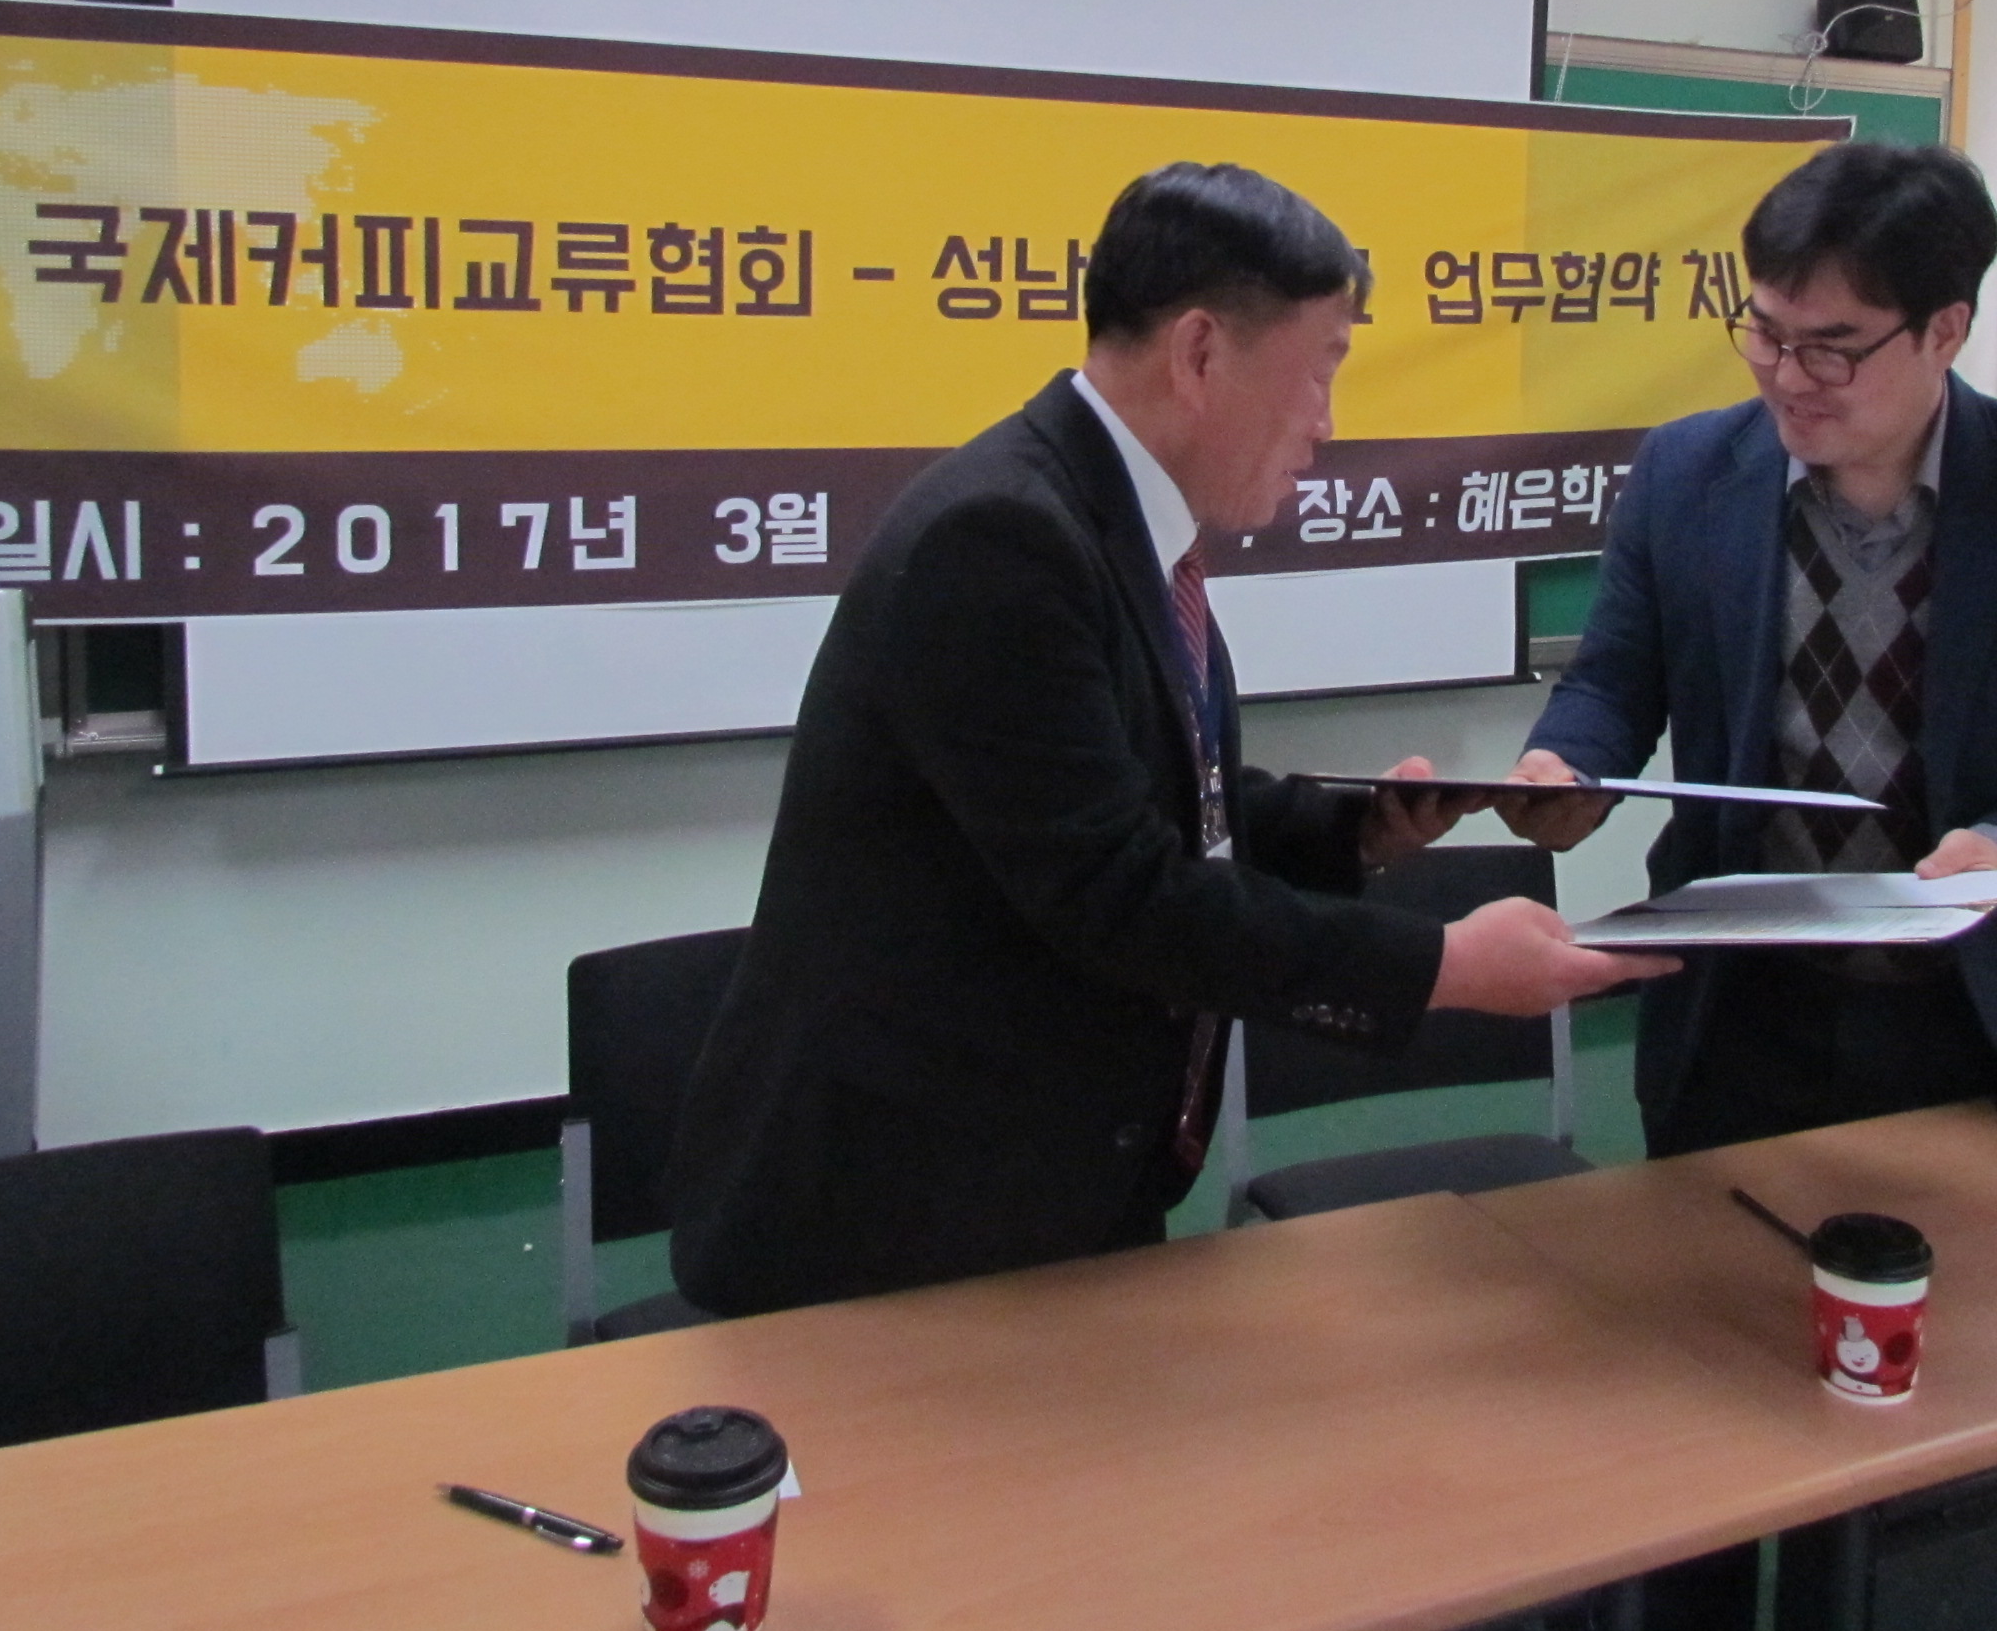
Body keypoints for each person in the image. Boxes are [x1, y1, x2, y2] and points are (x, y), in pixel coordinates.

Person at [670, 161, 1668, 1319]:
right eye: (1319, 371)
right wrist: (1443, 968)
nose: (1326, 425)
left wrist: (1351, 831)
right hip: (898, 1217)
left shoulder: (1104, 518)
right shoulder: (999, 539)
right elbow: (1122, 895)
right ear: (1200, 353)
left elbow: (1159, 796)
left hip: (1045, 1187)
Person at [1501, 141, 1997, 1154]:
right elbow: (1614, 682)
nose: (1789, 378)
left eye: (1833, 348)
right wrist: (1567, 766)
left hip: (1978, 1012)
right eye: (1765, 333)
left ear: (1944, 330)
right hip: (1741, 1009)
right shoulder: (1687, 472)